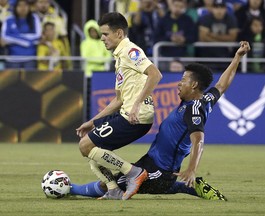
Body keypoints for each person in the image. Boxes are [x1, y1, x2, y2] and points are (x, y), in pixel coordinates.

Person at [74, 41, 250, 200]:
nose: (178, 84)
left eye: (183, 80)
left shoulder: (193, 109)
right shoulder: (203, 101)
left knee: (111, 185)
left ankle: (70, 189)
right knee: (112, 181)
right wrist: (237, 57)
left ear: (194, 85)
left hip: (161, 170)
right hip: (150, 161)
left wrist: (191, 169)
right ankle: (189, 187)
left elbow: (198, 140)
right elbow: (221, 85)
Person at [76, 12, 162, 200]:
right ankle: (113, 189)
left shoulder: (131, 51)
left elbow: (155, 74)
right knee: (94, 153)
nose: (102, 38)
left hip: (136, 117)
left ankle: (134, 173)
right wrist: (92, 122)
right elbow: (118, 100)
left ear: (119, 34)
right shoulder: (120, 57)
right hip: (126, 114)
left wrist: (137, 104)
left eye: (105, 34)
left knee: (85, 145)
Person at [1, 0, 42, 69]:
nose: (23, 8)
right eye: (20, 5)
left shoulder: (34, 18)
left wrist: (15, 37)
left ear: (29, 7)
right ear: (15, 7)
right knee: (12, 80)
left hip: (30, 59)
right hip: (13, 59)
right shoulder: (8, 19)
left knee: (30, 80)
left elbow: (37, 36)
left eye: (25, 5)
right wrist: (25, 41)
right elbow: (4, 37)